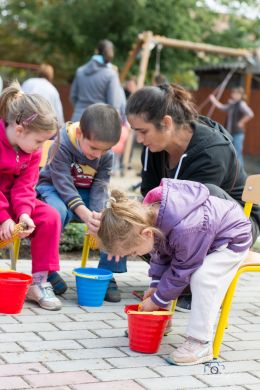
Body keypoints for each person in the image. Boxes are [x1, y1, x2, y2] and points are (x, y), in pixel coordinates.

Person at [125, 83, 260, 312]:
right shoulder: (154, 147)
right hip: (192, 224)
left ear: (166, 123)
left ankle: (192, 285)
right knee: (135, 228)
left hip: (235, 225)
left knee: (171, 225)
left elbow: (197, 224)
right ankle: (179, 283)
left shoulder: (210, 153)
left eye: (143, 131)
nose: (139, 139)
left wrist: (161, 296)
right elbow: (148, 198)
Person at [98, 179, 252, 365]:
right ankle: (161, 322)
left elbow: (183, 269)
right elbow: (160, 254)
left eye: (132, 252)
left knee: (203, 277)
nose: (134, 255)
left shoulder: (186, 227)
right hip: (203, 239)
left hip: (231, 240)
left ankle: (200, 342)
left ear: (146, 234)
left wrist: (157, 300)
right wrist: (156, 287)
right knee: (168, 281)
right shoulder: (151, 219)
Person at [37, 103, 127, 302]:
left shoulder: (105, 154)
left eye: (104, 150)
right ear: (79, 133)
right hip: (54, 189)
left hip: (86, 193)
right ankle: (47, 270)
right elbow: (62, 182)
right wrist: (85, 214)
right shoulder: (61, 143)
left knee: (114, 217)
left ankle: (107, 273)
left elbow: (100, 184)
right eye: (93, 148)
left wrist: (97, 214)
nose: (97, 155)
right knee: (54, 213)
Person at [0, 80, 62, 311]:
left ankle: (39, 282)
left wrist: (24, 214)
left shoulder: (32, 150)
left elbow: (26, 186)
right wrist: (4, 217)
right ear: (19, 130)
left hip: (14, 204)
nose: (40, 148)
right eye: (39, 141)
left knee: (49, 217)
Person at [70, 39, 125, 122]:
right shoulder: (111, 74)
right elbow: (114, 104)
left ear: (96, 51)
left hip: (78, 120)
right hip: (99, 123)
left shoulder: (80, 71)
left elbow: (72, 97)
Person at [209, 87, 254, 167]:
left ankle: (240, 174)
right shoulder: (232, 104)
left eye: (236, 93)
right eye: (233, 93)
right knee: (230, 152)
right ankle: (233, 172)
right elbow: (222, 107)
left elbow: (250, 113)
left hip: (237, 133)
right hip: (230, 133)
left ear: (240, 95)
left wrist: (241, 122)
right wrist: (213, 100)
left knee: (237, 153)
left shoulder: (241, 104)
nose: (233, 95)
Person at [22, 64, 65, 129]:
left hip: (25, 120)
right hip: (43, 126)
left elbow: (18, 100)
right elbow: (58, 116)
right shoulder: (52, 89)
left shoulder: (28, 82)